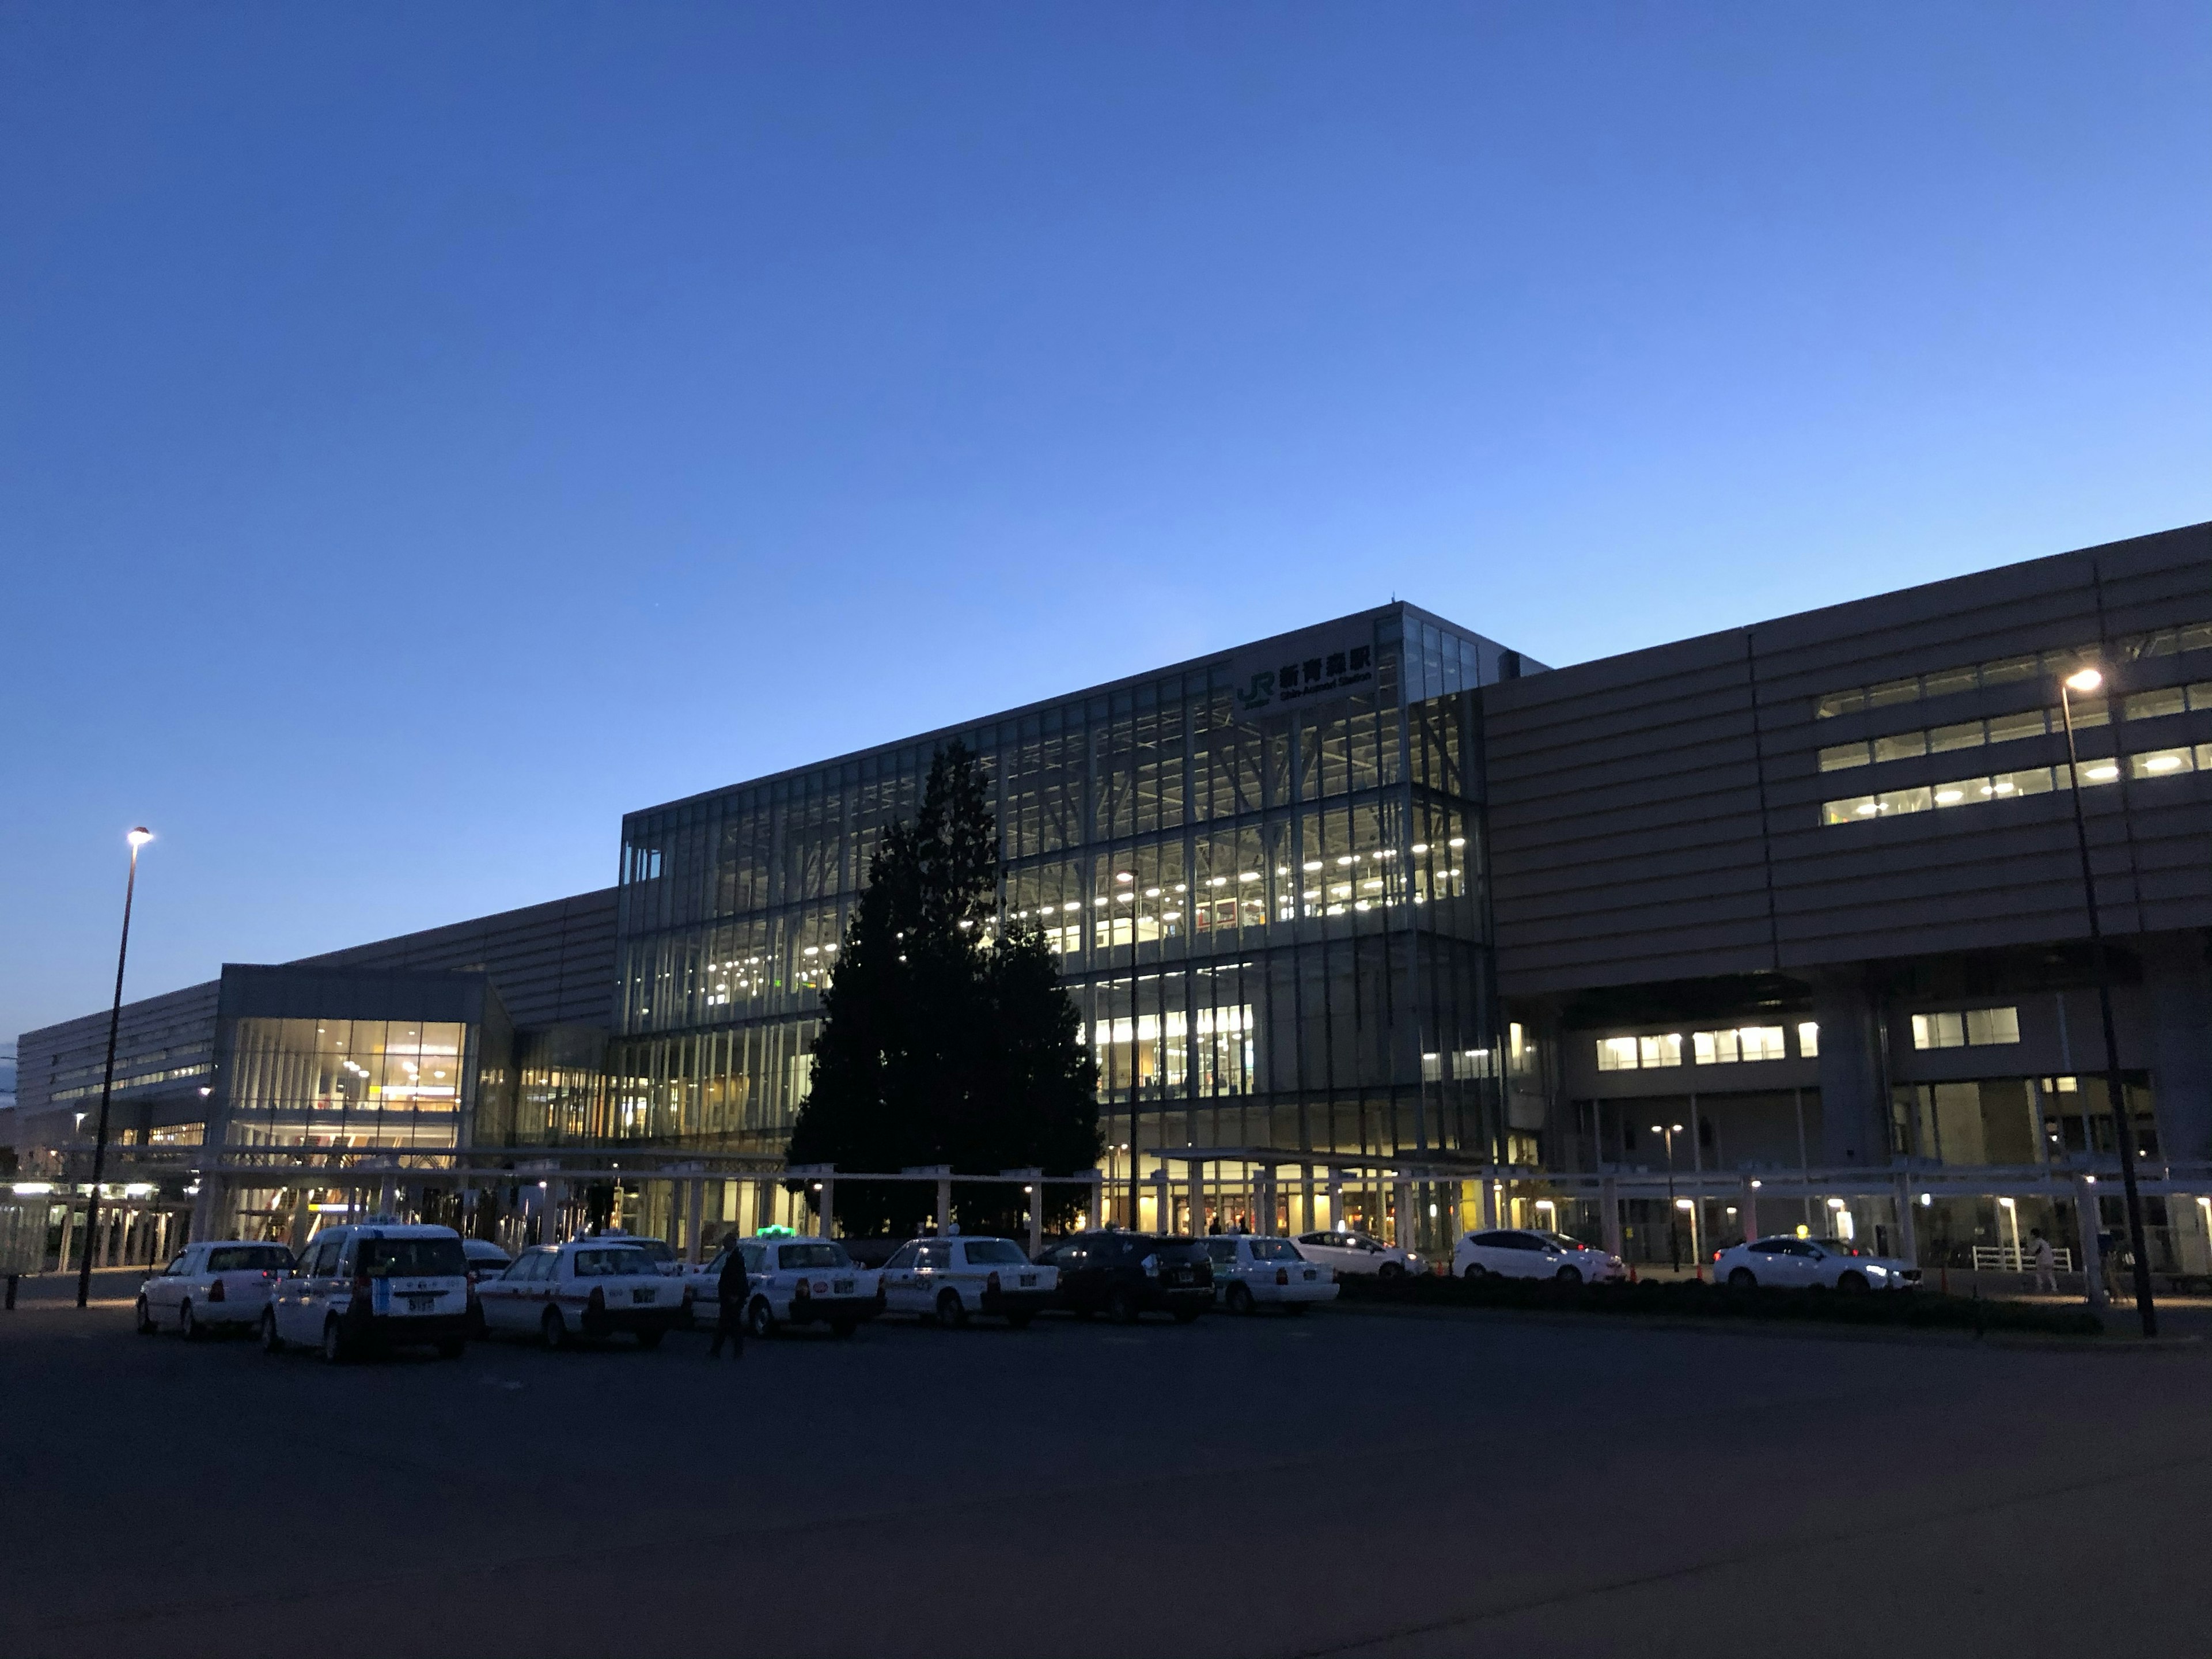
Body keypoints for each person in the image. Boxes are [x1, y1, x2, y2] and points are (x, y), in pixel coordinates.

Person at [709, 1244, 749, 1360]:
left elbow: (738, 1277)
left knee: (729, 1324)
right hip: (730, 1296)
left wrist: (736, 1295)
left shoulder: (736, 1258)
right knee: (728, 1324)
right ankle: (720, 1350)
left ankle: (720, 1350)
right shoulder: (733, 1257)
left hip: (732, 1297)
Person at [2029, 1227, 2056, 1294]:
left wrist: (2028, 1251)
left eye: (2031, 1235)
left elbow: (2034, 1251)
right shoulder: (2044, 1242)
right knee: (2050, 1274)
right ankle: (2054, 1288)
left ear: (2034, 1235)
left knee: (2039, 1274)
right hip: (2050, 1260)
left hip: (2043, 1261)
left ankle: (2040, 1288)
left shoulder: (2038, 1242)